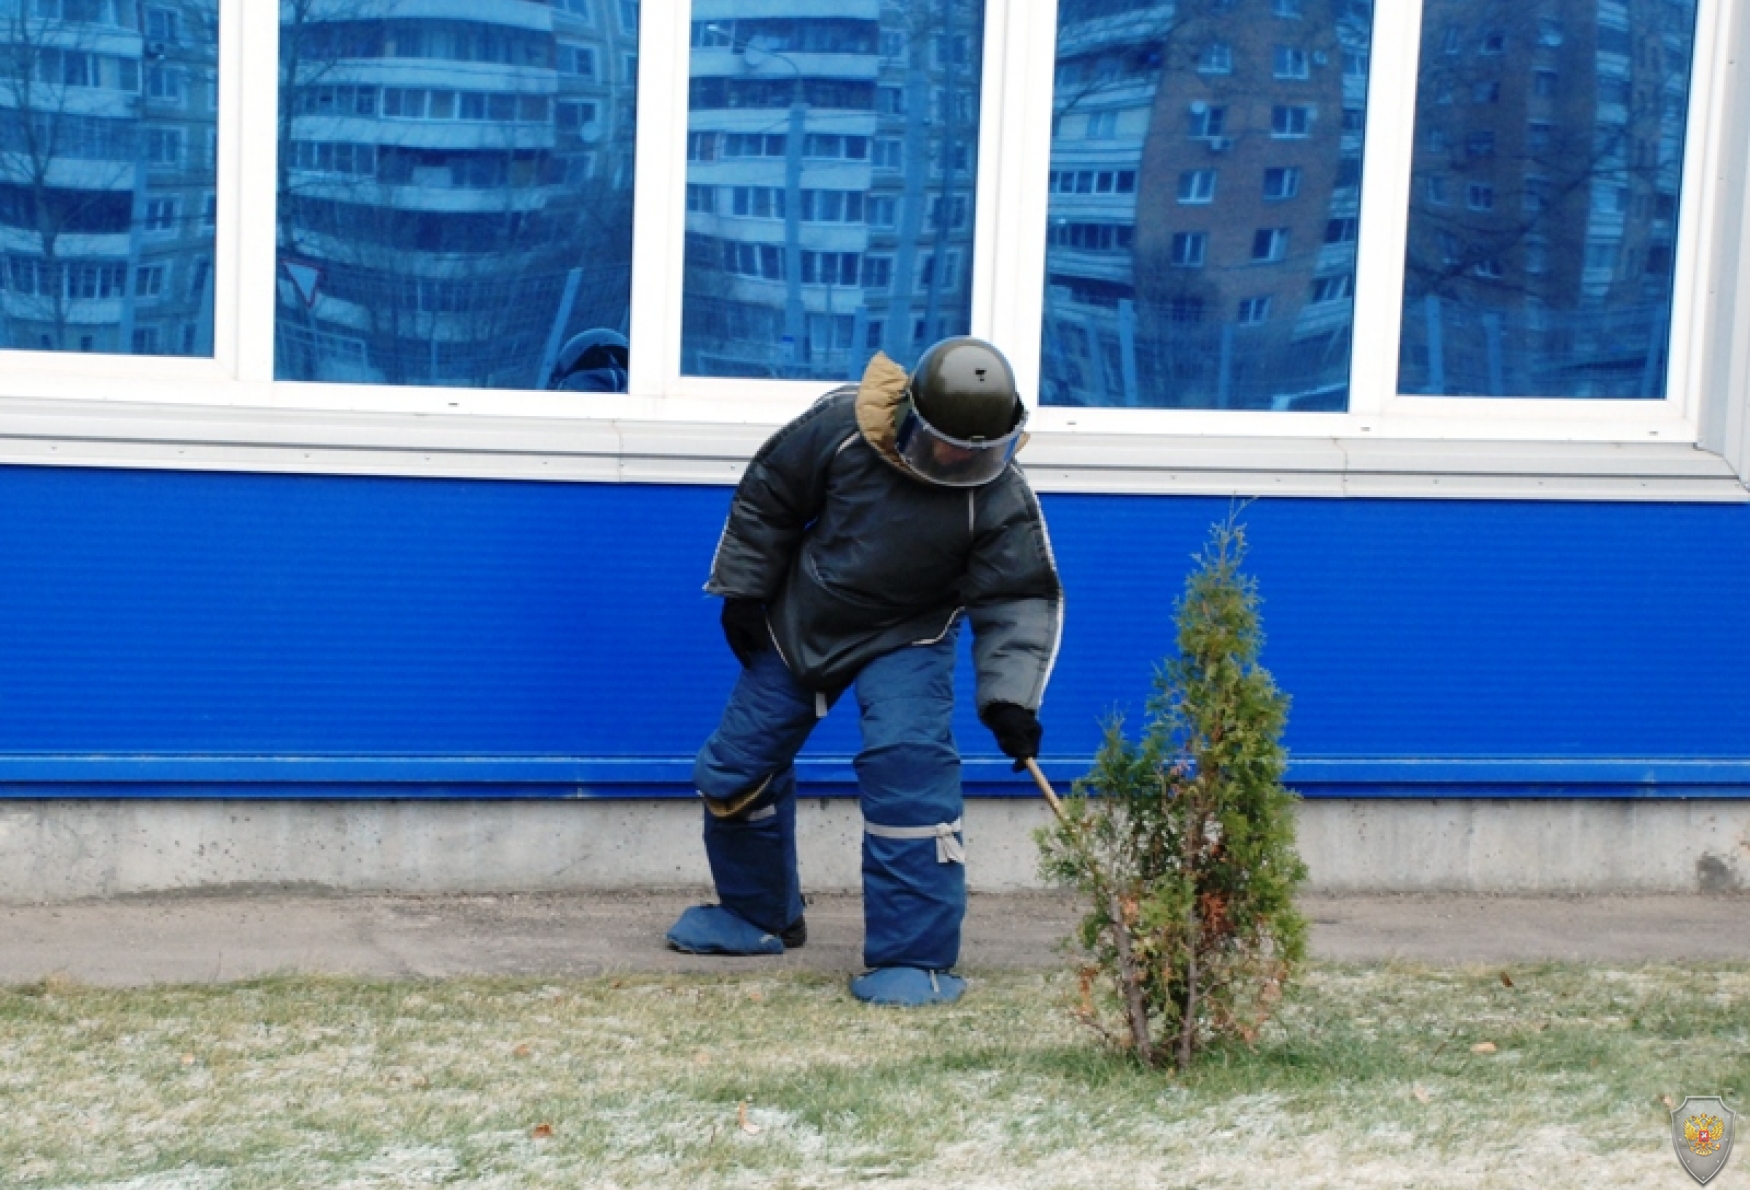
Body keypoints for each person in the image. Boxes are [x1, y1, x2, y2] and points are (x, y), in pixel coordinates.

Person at [665, 337, 1064, 1007]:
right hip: (806, 622)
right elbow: (770, 499)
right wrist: (744, 591)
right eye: (948, 445)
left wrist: (1010, 703)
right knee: (735, 769)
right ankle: (758, 915)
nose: (963, 460)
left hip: (911, 635)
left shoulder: (999, 495)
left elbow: (1018, 597)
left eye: (980, 451)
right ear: (911, 416)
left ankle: (914, 958)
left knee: (910, 774)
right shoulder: (841, 431)